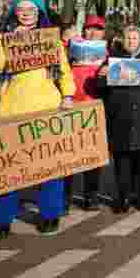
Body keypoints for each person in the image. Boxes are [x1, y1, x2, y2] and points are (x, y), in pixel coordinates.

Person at [0, 0, 76, 238]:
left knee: (50, 166)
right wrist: (5, 45)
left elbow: (64, 71)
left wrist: (67, 95)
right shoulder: (2, 39)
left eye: (31, 10)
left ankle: (50, 214)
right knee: (9, 169)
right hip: (12, 109)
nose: (26, 14)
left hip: (47, 108)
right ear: (14, 13)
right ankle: (2, 219)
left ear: (39, 14)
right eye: (21, 10)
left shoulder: (50, 40)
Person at [97, 26, 140, 213]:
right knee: (122, 161)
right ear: (123, 40)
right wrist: (102, 74)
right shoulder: (113, 59)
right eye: (128, 38)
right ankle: (123, 197)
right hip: (120, 116)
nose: (131, 41)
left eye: (135, 38)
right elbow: (101, 87)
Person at [63, 15, 107, 211]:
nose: (93, 32)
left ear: (103, 33)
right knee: (68, 154)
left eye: (97, 29)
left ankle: (91, 196)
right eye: (89, 28)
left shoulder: (108, 52)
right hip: (71, 106)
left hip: (95, 107)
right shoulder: (73, 46)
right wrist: (66, 40)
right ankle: (65, 197)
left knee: (93, 154)